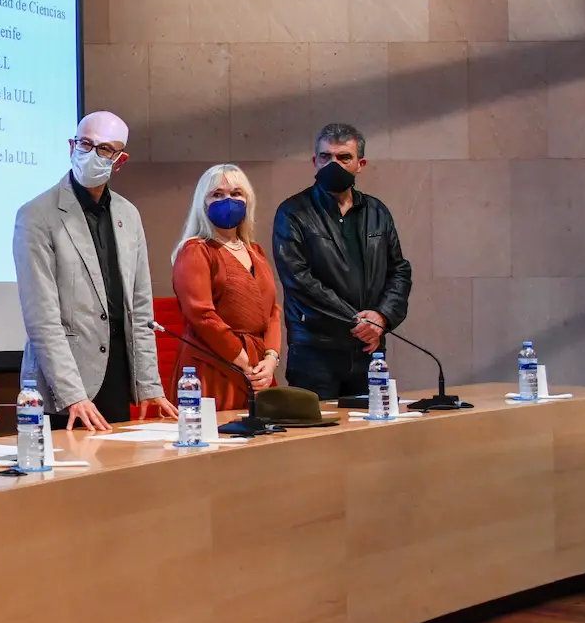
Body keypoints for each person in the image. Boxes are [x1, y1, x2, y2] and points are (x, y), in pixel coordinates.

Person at [13, 111, 177, 431]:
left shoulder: (128, 215)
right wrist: (73, 395)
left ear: (120, 160)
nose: (91, 154)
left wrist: (149, 385)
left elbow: (140, 309)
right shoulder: (36, 215)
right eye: (85, 144)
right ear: (71, 146)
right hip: (61, 387)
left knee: (118, 477)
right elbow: (42, 319)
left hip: (116, 373)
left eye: (104, 149)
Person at [272, 122, 412, 399]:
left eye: (343, 157)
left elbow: (399, 271)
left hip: (368, 350)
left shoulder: (377, 211)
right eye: (326, 157)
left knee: (373, 435)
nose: (333, 164)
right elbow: (298, 279)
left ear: (360, 163)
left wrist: (382, 317)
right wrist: (359, 322)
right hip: (315, 352)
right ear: (315, 161)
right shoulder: (293, 212)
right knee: (317, 439)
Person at [172, 164, 282, 411]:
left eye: (236, 193)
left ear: (247, 200)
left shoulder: (256, 251)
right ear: (204, 202)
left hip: (258, 371)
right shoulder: (195, 250)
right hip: (214, 365)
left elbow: (272, 311)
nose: (228, 200)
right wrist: (242, 359)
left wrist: (271, 359)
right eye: (217, 194)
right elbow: (201, 314)